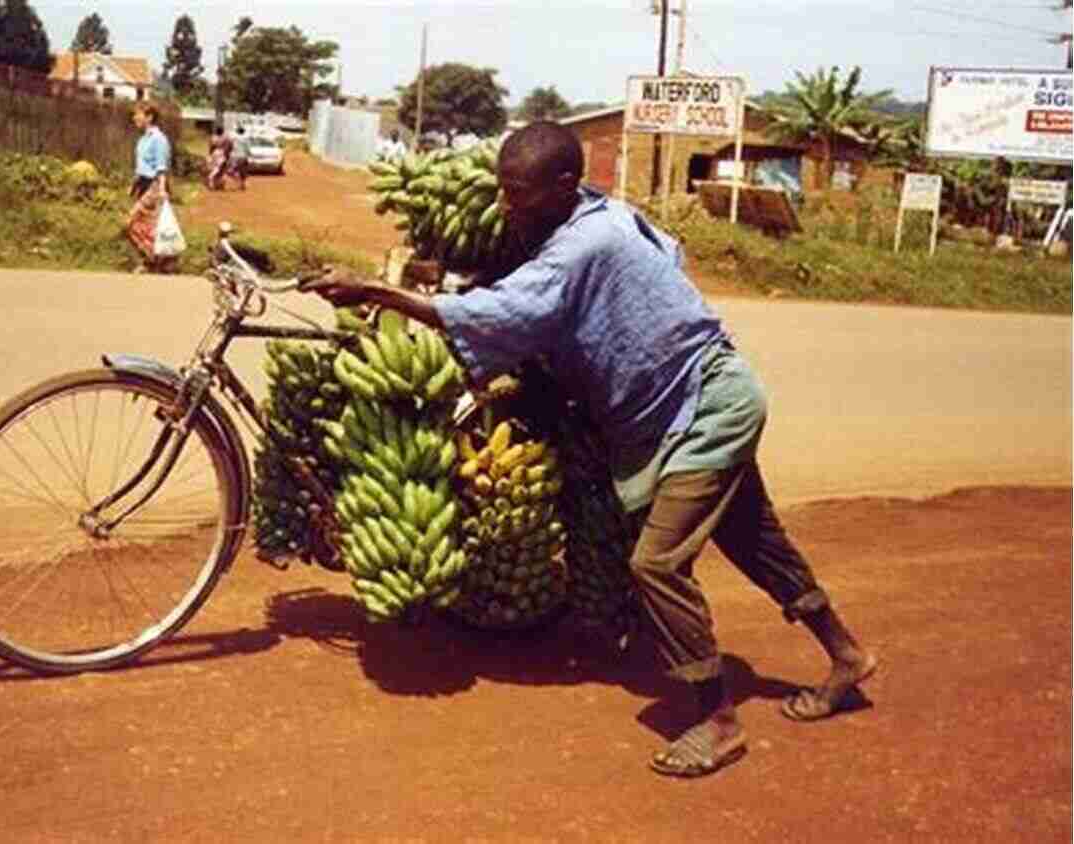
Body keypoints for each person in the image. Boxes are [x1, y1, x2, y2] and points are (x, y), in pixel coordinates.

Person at [304, 121, 877, 779]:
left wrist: (377, 291)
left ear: (563, 185)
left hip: (705, 409)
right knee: (754, 538)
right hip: (693, 399)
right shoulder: (608, 214)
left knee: (656, 565)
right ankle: (847, 656)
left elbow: (507, 311)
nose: (507, 206)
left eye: (520, 194)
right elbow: (661, 259)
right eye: (503, 190)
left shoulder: (585, 245)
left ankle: (717, 720)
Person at [124, 103, 173, 274]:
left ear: (149, 117)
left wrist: (161, 190)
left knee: (131, 221)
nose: (134, 118)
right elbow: (142, 165)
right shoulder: (143, 139)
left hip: (154, 185)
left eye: (138, 114)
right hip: (143, 184)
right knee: (145, 225)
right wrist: (134, 184)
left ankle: (156, 259)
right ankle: (157, 261)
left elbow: (161, 167)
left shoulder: (158, 139)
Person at [207, 126, 234, 191]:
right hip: (222, 153)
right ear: (222, 131)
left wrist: (210, 155)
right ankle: (211, 178)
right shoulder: (226, 138)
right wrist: (227, 153)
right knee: (221, 169)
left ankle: (218, 184)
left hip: (214, 153)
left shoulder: (213, 137)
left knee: (216, 168)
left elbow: (211, 147)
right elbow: (230, 146)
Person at [229, 125, 251, 190]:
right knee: (243, 171)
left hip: (234, 156)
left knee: (231, 170)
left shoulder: (233, 138)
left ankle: (237, 181)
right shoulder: (246, 139)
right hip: (243, 156)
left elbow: (230, 146)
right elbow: (247, 148)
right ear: (243, 132)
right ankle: (242, 184)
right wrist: (249, 154)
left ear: (237, 131)